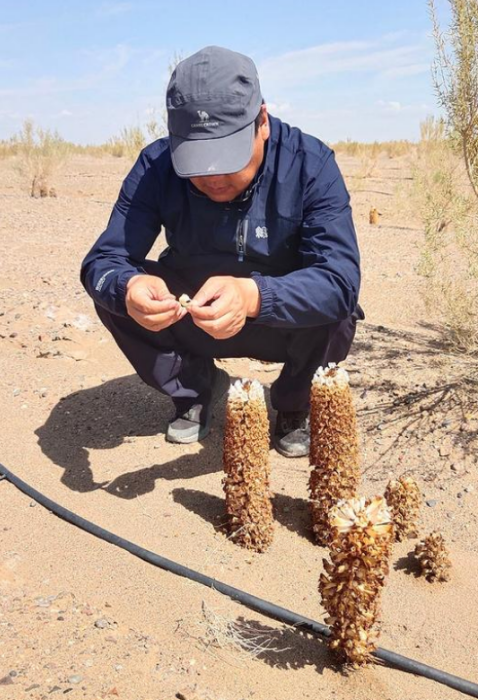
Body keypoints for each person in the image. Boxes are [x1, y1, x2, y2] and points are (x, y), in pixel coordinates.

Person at [80, 45, 363, 458]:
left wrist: (253, 296)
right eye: (195, 161)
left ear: (261, 121)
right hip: (193, 314)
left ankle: (292, 404)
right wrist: (128, 286)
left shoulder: (311, 164)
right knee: (115, 295)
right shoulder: (155, 167)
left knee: (338, 312)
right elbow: (102, 263)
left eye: (226, 157)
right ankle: (193, 387)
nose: (211, 177)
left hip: (282, 320)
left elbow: (340, 281)